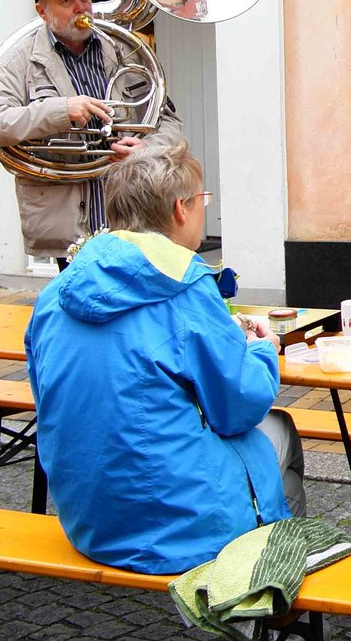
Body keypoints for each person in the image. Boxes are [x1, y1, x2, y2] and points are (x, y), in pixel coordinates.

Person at [24, 137, 303, 574]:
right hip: (179, 531)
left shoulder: (55, 293)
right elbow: (238, 406)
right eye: (201, 200)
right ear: (180, 209)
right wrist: (263, 350)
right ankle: (274, 575)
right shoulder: (186, 289)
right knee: (279, 428)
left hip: (90, 521)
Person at [0, 0, 182, 264]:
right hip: (69, 221)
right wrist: (62, 110)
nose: (80, 8)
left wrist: (147, 149)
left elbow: (168, 120)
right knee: (85, 305)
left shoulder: (123, 49)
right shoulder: (18, 60)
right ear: (42, 12)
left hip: (131, 210)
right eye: (65, 1)